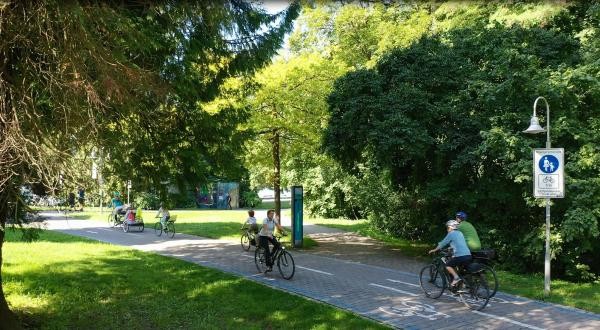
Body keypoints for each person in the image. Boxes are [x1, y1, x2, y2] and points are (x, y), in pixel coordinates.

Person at [428, 220, 472, 287]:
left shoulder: (451, 233)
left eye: (447, 227)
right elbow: (458, 243)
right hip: (468, 255)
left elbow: (443, 243)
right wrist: (450, 248)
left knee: (448, 266)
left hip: (461, 255)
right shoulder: (460, 233)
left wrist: (434, 250)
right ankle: (462, 284)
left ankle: (456, 278)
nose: (447, 229)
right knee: (459, 267)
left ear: (451, 227)